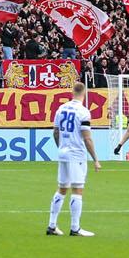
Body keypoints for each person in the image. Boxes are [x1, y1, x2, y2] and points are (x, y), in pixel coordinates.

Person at [48, 82, 100, 236]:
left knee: (62, 188)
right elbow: (87, 138)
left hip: (63, 152)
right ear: (84, 93)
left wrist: (60, 148)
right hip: (76, 153)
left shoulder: (61, 109)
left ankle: (52, 226)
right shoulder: (84, 112)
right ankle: (75, 227)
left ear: (72, 92)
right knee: (77, 189)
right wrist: (96, 159)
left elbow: (55, 132)